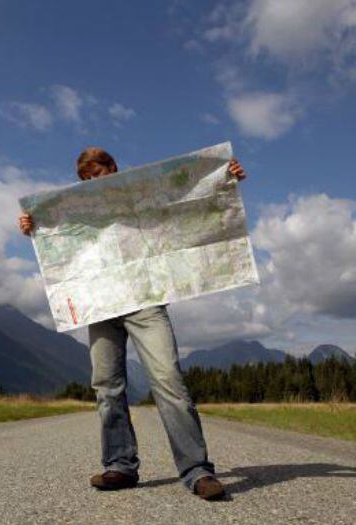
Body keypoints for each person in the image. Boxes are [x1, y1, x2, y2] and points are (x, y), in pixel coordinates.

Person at [18, 147, 246, 500]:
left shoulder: (142, 191)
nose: (92, 182)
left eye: (97, 174)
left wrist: (222, 178)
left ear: (112, 167)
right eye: (86, 179)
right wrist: (35, 228)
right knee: (106, 386)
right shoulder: (81, 209)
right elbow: (62, 239)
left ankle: (197, 471)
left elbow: (181, 201)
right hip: (100, 305)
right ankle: (120, 466)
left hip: (145, 300)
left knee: (168, 380)